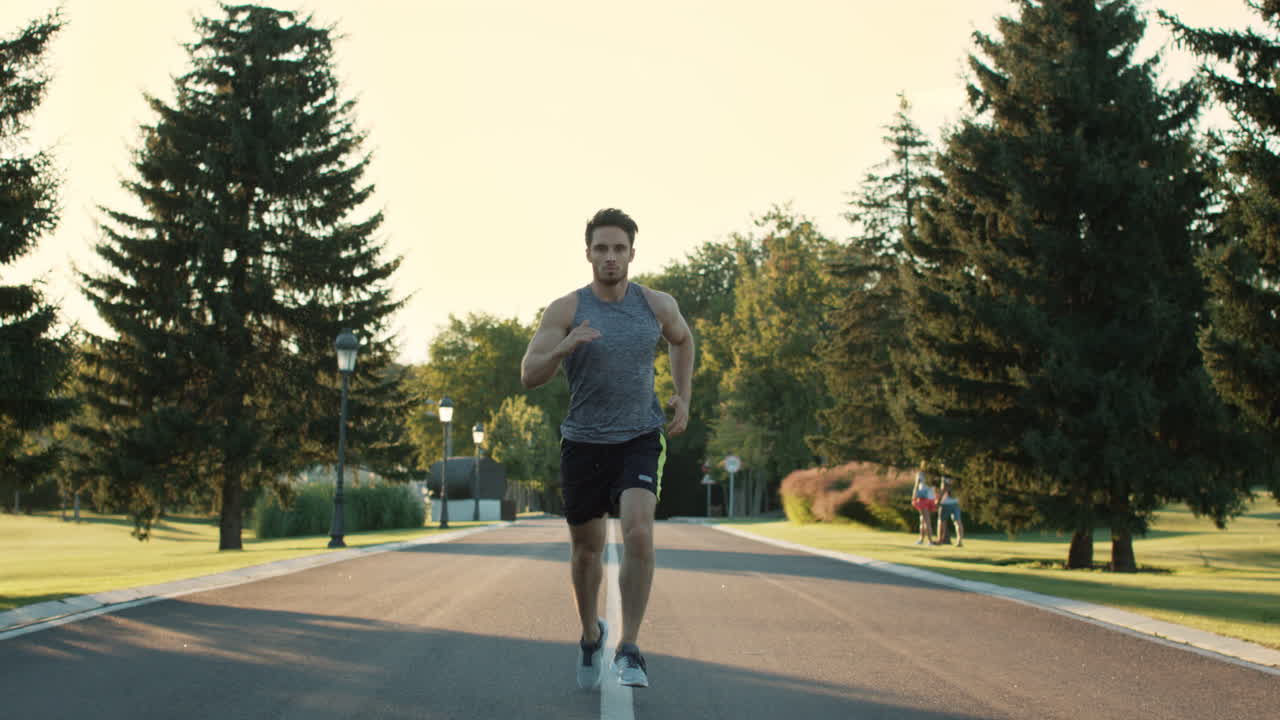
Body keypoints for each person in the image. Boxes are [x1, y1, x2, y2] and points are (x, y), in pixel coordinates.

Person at [520, 208, 694, 691]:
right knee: (585, 553)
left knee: (639, 534)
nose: (611, 257)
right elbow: (528, 375)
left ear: (632, 254)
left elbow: (683, 340)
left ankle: (630, 648)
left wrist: (684, 395)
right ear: (588, 254)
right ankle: (590, 633)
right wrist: (563, 348)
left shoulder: (656, 305)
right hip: (583, 441)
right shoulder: (566, 310)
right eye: (602, 249)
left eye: (619, 249)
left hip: (640, 435)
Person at [910, 463, 937, 546]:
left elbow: (916, 486)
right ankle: (922, 539)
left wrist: (913, 497)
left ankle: (929, 540)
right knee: (923, 520)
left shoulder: (921, 474)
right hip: (932, 498)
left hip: (923, 499)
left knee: (926, 520)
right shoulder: (935, 475)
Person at [936, 475, 964, 547]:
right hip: (955, 502)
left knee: (941, 522)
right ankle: (959, 540)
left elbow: (943, 489)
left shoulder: (945, 478)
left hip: (945, 503)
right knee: (958, 522)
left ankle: (940, 540)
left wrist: (938, 501)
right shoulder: (957, 478)